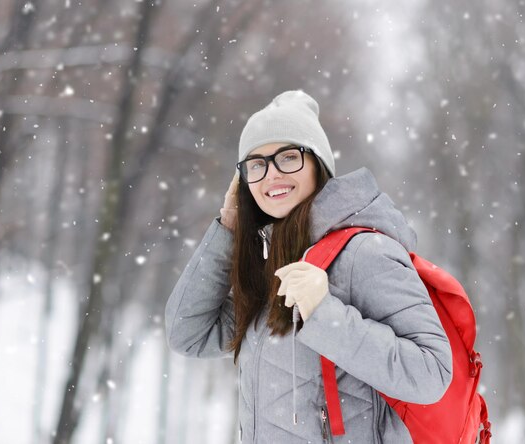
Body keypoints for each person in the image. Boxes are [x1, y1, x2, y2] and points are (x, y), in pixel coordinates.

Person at [165, 90, 452, 443]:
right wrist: (228, 226)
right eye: (256, 164)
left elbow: (432, 374)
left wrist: (324, 313)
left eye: (288, 157)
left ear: (318, 165)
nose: (271, 175)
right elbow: (188, 334)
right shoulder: (272, 267)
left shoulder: (364, 252)